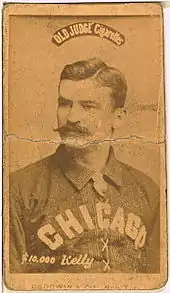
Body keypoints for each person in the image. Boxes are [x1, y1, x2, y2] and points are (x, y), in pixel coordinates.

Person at [9, 58, 160, 274]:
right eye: (64, 103)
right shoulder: (19, 189)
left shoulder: (148, 192)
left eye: (88, 106)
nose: (71, 117)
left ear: (118, 117)